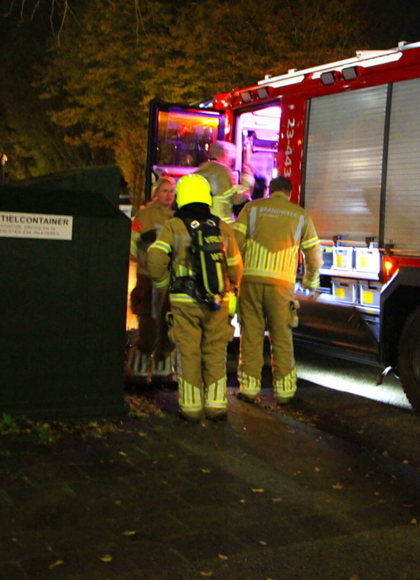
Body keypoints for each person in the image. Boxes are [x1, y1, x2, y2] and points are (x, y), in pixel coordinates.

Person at [147, 174, 243, 422]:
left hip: (184, 301)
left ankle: (190, 409)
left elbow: (156, 259)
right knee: (215, 352)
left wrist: (164, 284)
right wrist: (231, 288)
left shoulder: (174, 226)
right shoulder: (223, 227)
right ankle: (216, 407)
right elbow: (235, 266)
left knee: (188, 352)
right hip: (218, 300)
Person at [234, 176, 321, 404]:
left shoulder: (252, 208)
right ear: (289, 192)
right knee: (281, 336)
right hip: (281, 285)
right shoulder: (300, 215)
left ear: (270, 191)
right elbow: (313, 252)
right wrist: (311, 281)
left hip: (251, 281)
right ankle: (284, 392)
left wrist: (232, 278)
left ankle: (249, 389)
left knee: (251, 335)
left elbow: (234, 243)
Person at [126, 176, 176, 383]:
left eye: (171, 191)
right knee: (148, 327)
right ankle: (136, 372)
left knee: (168, 328)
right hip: (148, 281)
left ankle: (162, 373)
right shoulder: (145, 215)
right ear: (156, 193)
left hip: (170, 281)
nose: (168, 195)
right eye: (164, 191)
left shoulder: (176, 217)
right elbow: (131, 244)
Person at [194, 141, 250, 224]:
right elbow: (237, 198)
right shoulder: (223, 170)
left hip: (202, 222)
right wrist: (247, 178)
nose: (230, 163)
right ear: (225, 153)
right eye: (231, 160)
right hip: (221, 224)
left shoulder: (199, 171)